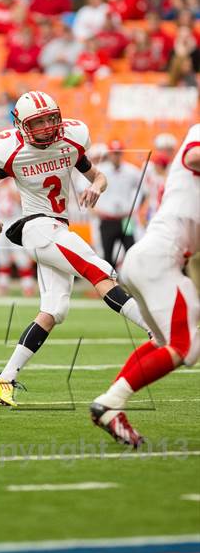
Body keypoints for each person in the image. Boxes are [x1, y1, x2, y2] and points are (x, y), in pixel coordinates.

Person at [0, 90, 150, 407]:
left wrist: (96, 189)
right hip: (38, 226)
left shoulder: (71, 140)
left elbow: (97, 176)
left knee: (54, 311)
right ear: (20, 125)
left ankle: (5, 378)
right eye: (38, 121)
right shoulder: (11, 151)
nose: (46, 126)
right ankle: (157, 331)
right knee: (99, 271)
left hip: (57, 227)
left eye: (49, 119)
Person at [90, 124, 200, 447]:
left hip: (148, 259)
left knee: (163, 340)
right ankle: (110, 402)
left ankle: (110, 406)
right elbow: (194, 156)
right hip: (160, 259)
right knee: (185, 347)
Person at [94, 140, 142, 266]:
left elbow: (143, 191)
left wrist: (137, 208)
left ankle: (131, 280)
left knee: (131, 250)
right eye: (114, 153)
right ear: (109, 154)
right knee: (107, 254)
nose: (116, 156)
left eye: (118, 153)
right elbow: (84, 188)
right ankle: (111, 284)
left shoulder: (132, 171)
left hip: (126, 218)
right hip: (107, 218)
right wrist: (92, 208)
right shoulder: (100, 171)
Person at [0, 176, 35, 297]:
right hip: (0, 221)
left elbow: (24, 203)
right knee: (1, 257)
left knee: (20, 255)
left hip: (15, 221)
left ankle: (28, 286)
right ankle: (2, 286)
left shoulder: (18, 181)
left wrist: (11, 191)